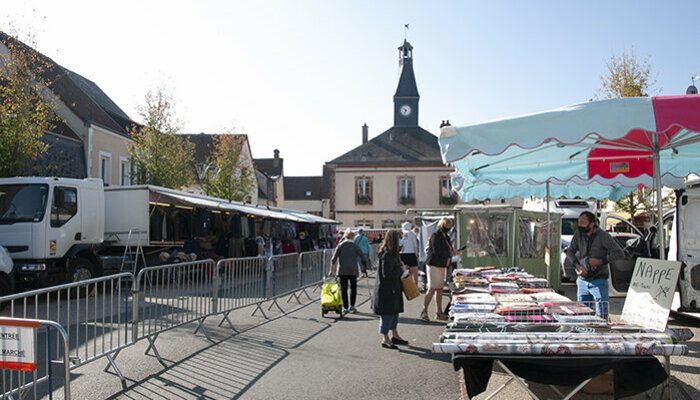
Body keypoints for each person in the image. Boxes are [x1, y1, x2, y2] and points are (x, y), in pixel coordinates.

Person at [565, 211, 623, 318]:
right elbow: (570, 252)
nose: (580, 225)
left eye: (583, 222)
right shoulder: (578, 234)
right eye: (579, 222)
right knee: (582, 313)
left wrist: (601, 261)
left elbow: (619, 253)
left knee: (602, 313)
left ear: (592, 224)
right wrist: (577, 266)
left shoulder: (603, 236)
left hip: (599, 279)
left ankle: (602, 332)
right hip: (582, 280)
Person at [372, 229, 409, 349]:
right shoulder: (387, 254)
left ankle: (395, 335)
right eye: (400, 238)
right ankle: (385, 338)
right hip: (387, 290)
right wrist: (401, 270)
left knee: (394, 313)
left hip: (393, 288)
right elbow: (386, 274)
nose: (402, 240)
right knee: (387, 314)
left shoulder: (393, 253)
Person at [420, 218, 458, 322]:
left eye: (449, 226)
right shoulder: (435, 236)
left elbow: (446, 249)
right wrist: (450, 254)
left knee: (439, 289)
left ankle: (439, 312)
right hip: (433, 264)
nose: (448, 228)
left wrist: (452, 253)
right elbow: (436, 251)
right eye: (446, 225)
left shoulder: (446, 237)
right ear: (441, 225)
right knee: (432, 288)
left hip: (442, 264)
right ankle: (424, 311)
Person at [329, 229, 368, 314]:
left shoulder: (340, 245)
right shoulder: (355, 246)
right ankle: (352, 306)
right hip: (353, 270)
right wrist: (364, 267)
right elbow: (363, 258)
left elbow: (333, 259)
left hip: (342, 270)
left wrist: (331, 271)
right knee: (353, 288)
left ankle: (345, 307)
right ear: (353, 237)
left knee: (343, 288)